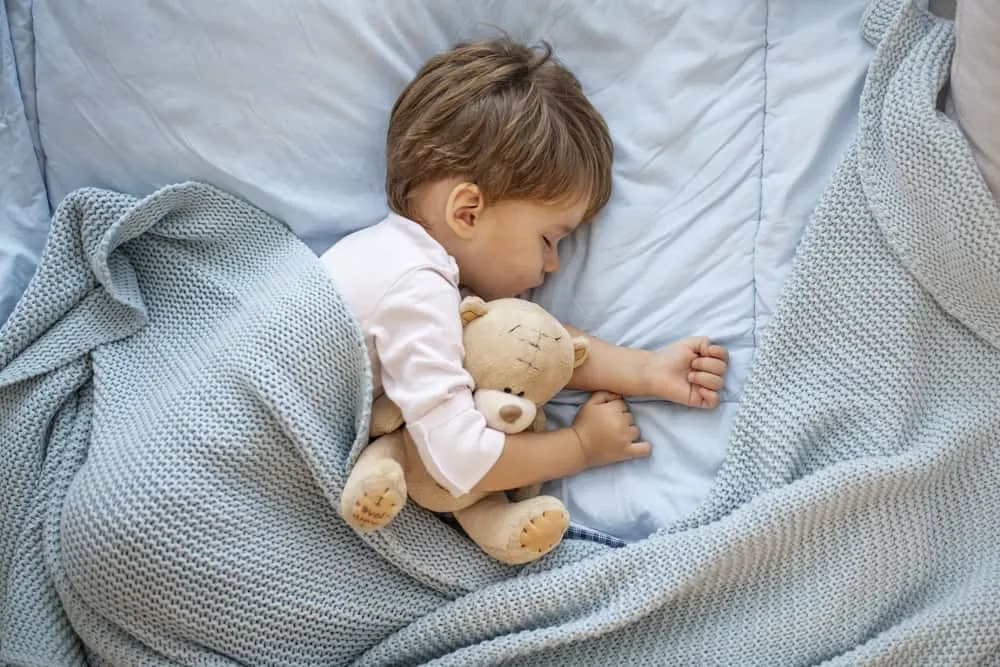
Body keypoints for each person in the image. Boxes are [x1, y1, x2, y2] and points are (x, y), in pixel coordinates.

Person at [320, 37, 728, 503]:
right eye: (548, 239)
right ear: (469, 212)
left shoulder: (392, 259)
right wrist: (579, 448)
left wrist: (647, 371)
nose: (553, 265)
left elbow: (524, 345)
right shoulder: (415, 289)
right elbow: (458, 460)